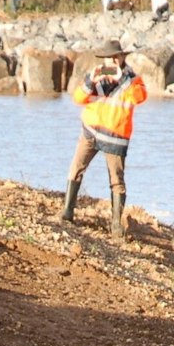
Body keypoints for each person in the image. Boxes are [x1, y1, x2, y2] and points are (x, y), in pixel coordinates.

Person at [62, 41, 147, 238]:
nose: (112, 61)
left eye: (115, 57)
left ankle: (116, 224)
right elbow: (78, 98)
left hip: (115, 137)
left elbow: (140, 97)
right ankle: (67, 212)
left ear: (122, 57)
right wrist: (90, 81)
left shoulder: (133, 79)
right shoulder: (97, 76)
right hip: (90, 131)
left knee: (117, 180)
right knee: (75, 169)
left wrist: (122, 79)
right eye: (109, 58)